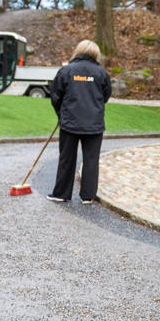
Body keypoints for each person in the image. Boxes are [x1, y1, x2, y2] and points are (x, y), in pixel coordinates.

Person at [47, 40, 111, 204]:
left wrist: (61, 113)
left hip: (70, 122)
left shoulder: (66, 70)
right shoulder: (101, 72)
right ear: (96, 54)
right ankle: (88, 195)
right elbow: (106, 95)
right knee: (91, 159)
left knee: (66, 158)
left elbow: (55, 95)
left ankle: (61, 193)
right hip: (94, 123)